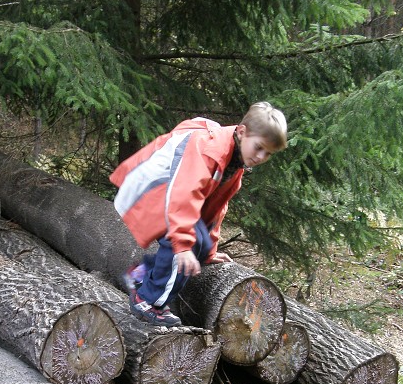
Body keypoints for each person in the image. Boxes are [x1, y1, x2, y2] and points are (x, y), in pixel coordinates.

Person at [111, 101, 288, 327]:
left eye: (268, 153)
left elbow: (215, 207)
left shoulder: (235, 163)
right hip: (158, 193)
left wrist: (210, 250)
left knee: (201, 247)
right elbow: (183, 194)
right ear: (242, 132)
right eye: (259, 147)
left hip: (174, 198)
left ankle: (138, 275)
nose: (261, 156)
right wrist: (183, 247)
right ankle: (148, 300)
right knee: (184, 246)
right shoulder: (211, 151)